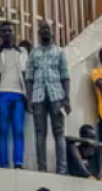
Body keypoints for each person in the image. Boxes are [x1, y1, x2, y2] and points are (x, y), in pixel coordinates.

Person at [26, 20, 71, 174]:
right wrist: (29, 98)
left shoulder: (60, 52)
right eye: (42, 29)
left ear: (52, 32)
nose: (45, 31)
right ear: (39, 33)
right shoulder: (33, 53)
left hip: (56, 96)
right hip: (38, 97)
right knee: (40, 133)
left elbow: (65, 76)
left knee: (59, 133)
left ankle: (62, 170)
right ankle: (42, 169)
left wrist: (67, 98)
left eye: (47, 29)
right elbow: (29, 78)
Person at [0, 20, 29, 169]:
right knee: (2, 131)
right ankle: (3, 164)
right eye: (4, 31)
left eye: (10, 31)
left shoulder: (22, 53)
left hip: (19, 95)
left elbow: (26, 76)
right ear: (0, 34)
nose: (7, 33)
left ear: (14, 33)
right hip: (2, 95)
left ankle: (18, 163)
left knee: (18, 130)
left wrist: (28, 97)